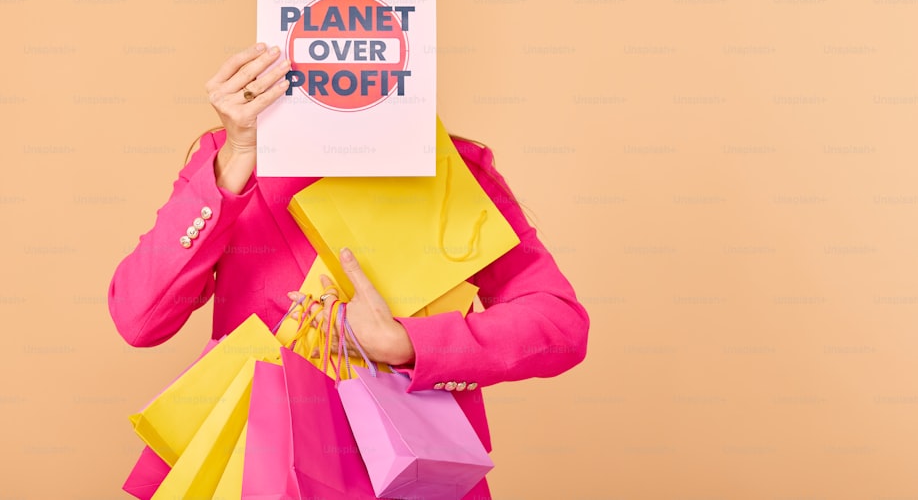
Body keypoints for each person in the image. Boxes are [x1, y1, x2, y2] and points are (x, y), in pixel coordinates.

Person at [108, 42, 590, 499]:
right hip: (261, 465)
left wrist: (409, 342)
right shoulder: (232, 156)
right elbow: (139, 318)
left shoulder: (451, 168)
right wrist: (236, 157)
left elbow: (559, 323)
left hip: (410, 469)